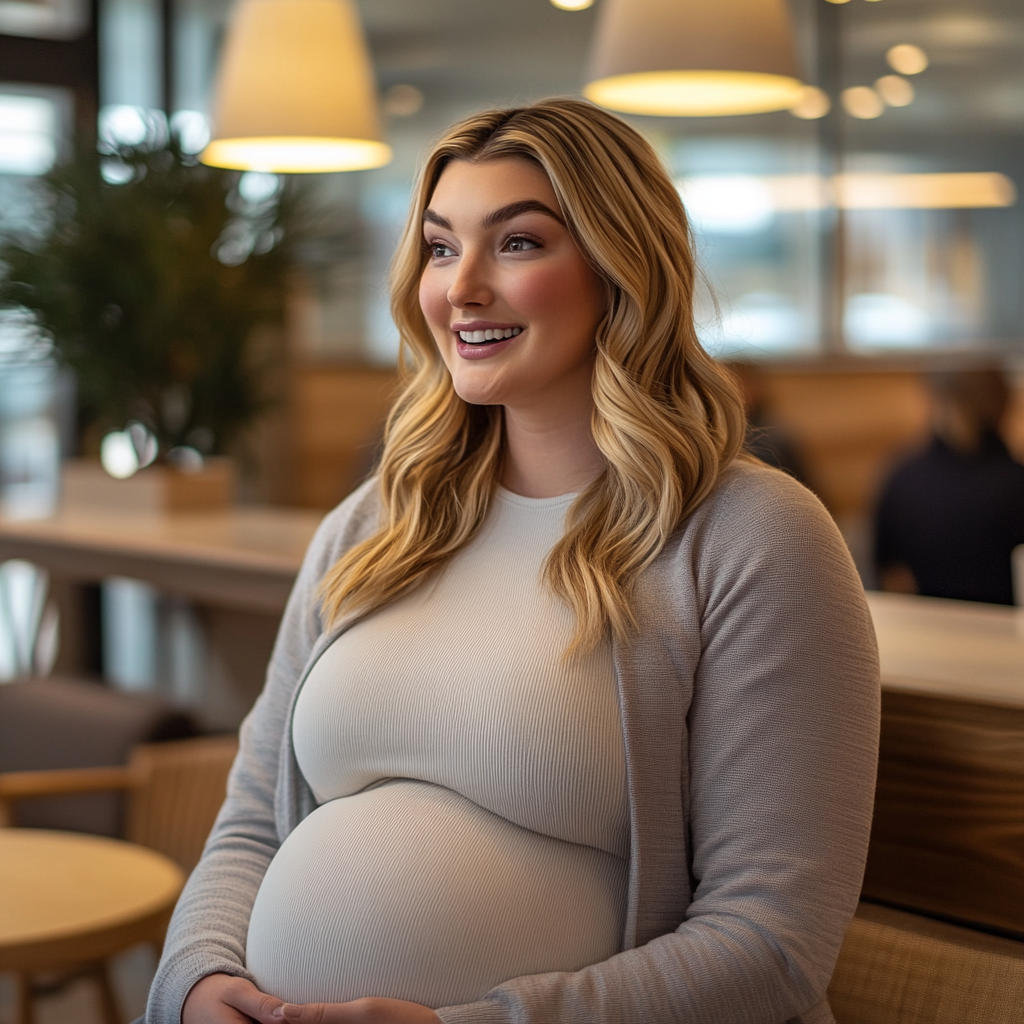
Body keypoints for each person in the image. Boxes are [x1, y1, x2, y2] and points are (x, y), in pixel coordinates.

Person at [145, 99, 879, 1024]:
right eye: (442, 247)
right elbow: (252, 818)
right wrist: (196, 984)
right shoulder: (372, 525)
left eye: (519, 243)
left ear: (621, 266)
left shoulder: (752, 538)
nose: (461, 289)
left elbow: (771, 943)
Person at [875, 367, 1024, 605]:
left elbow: (888, 571)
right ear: (1004, 405)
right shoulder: (1016, 481)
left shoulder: (904, 477)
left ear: (936, 402)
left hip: (924, 625)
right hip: (1009, 630)